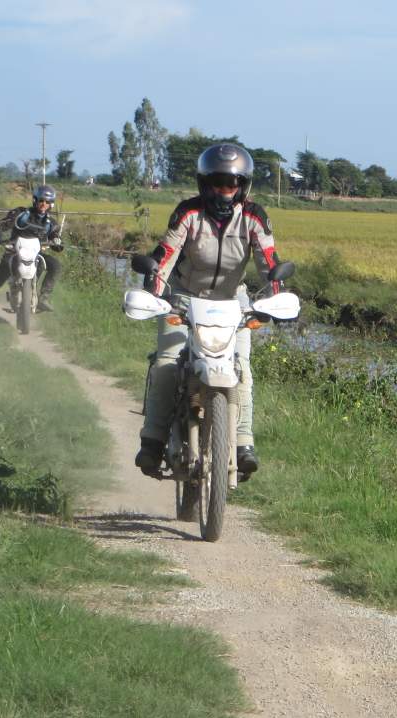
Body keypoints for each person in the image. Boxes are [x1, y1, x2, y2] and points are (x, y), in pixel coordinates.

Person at [133, 142, 283, 480]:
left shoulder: (255, 217)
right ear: (204, 183)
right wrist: (155, 294)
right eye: (217, 183)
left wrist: (274, 300)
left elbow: (268, 263)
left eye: (232, 184)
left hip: (233, 301)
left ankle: (243, 442)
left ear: (243, 186)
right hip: (185, 296)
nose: (224, 191)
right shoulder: (188, 213)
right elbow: (164, 257)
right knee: (167, 362)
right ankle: (153, 440)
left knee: (241, 366)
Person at [0, 185, 62, 312]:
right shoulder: (22, 213)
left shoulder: (51, 222)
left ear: (51, 204)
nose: (43, 204)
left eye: (47, 202)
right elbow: (3, 224)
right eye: (41, 200)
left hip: (36, 255)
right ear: (35, 200)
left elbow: (56, 238)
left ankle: (43, 298)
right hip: (14, 251)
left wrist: (57, 242)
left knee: (56, 265)